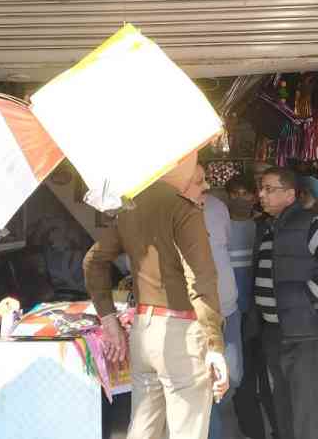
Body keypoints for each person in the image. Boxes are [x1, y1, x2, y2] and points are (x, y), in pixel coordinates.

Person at [83, 162, 229, 439]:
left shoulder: (130, 211)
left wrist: (108, 318)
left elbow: (93, 262)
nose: (206, 187)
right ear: (179, 174)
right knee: (187, 429)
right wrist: (214, 345)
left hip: (144, 331)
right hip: (182, 334)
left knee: (143, 428)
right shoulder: (184, 210)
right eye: (199, 180)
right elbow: (201, 280)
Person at [251, 167, 318, 439]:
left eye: (269, 189)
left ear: (290, 194)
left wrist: (307, 296)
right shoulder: (268, 227)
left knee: (304, 407)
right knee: (282, 401)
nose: (261, 194)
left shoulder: (311, 223)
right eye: (261, 188)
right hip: (274, 330)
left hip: (303, 332)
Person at [183, 164, 243, 439]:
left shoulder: (217, 207)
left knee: (228, 377)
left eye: (205, 179)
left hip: (226, 305)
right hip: (195, 311)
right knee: (207, 385)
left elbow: (225, 244)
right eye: (199, 181)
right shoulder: (174, 211)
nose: (205, 186)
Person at [226, 175, 277, 439]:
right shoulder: (219, 227)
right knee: (241, 379)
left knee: (268, 378)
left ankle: (279, 429)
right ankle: (253, 432)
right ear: (228, 196)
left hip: (263, 311)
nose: (241, 199)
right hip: (234, 313)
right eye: (236, 193)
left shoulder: (264, 226)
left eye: (246, 193)